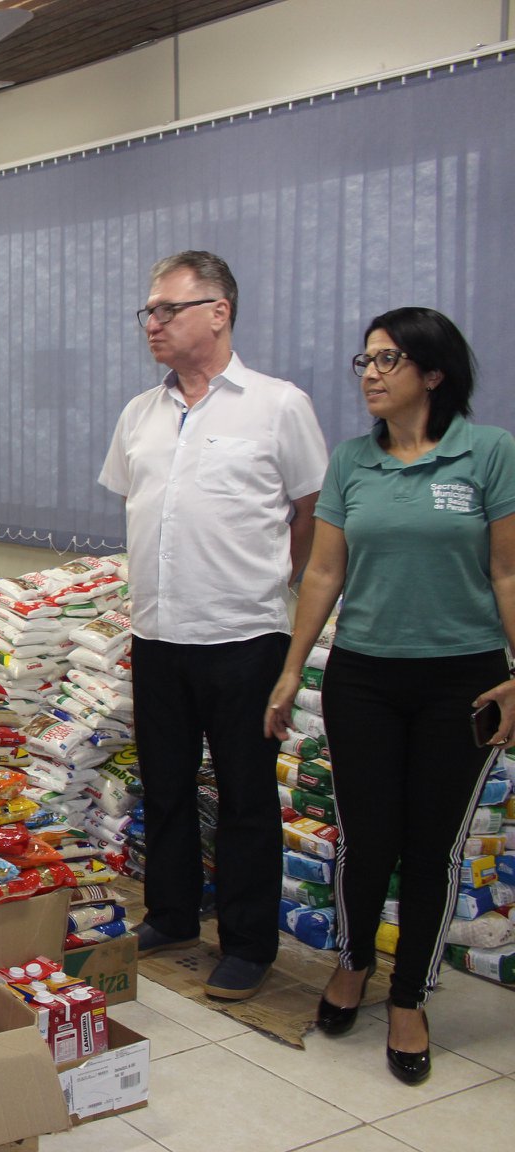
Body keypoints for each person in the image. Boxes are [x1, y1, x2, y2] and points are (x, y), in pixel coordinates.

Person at [266, 307, 515, 1084]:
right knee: (367, 838)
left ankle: (410, 996)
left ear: (433, 374)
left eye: (389, 360)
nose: (370, 373)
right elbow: (325, 575)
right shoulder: (351, 462)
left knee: (432, 847)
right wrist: (290, 668)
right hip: (364, 679)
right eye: (364, 359)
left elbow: (507, 573)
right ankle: (352, 964)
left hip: (462, 681)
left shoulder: (491, 455)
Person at [98, 250, 329, 1000]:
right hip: (160, 635)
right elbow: (139, 507)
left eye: (168, 310)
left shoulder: (277, 405)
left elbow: (310, 513)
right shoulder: (141, 412)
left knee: (245, 798)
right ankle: (170, 915)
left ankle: (248, 943)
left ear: (218, 312)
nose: (152, 325)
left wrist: (271, 584)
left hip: (245, 637)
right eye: (149, 312)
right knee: (163, 786)